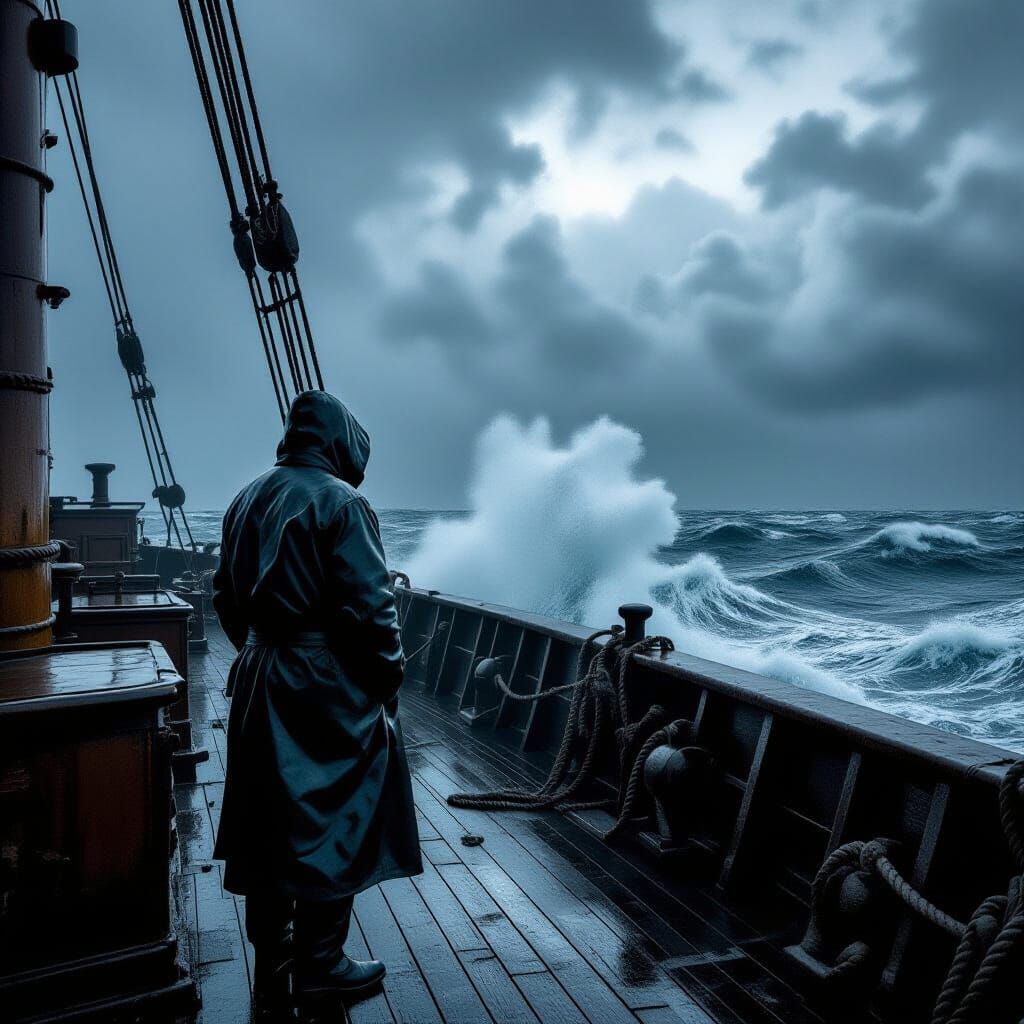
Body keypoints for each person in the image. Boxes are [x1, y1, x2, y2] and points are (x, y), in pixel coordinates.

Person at [212, 390, 422, 1016]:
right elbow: (368, 607)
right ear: (340, 441)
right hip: (321, 681)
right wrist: (386, 678)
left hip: (259, 669)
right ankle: (322, 963)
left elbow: (224, 594)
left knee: (267, 810)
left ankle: (272, 944)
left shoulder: (247, 497)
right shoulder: (343, 502)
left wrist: (258, 652)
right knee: (335, 810)